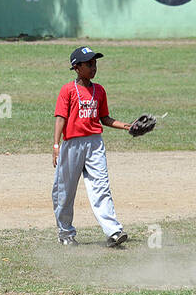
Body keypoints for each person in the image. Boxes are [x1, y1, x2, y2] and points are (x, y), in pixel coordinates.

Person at [52, 46, 135, 248]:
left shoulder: (100, 90)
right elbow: (61, 118)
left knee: (101, 186)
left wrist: (127, 126)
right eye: (89, 64)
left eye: (95, 63)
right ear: (76, 67)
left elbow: (104, 118)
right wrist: (56, 145)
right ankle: (65, 233)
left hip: (95, 143)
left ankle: (113, 232)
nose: (94, 67)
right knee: (65, 191)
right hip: (72, 144)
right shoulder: (68, 90)